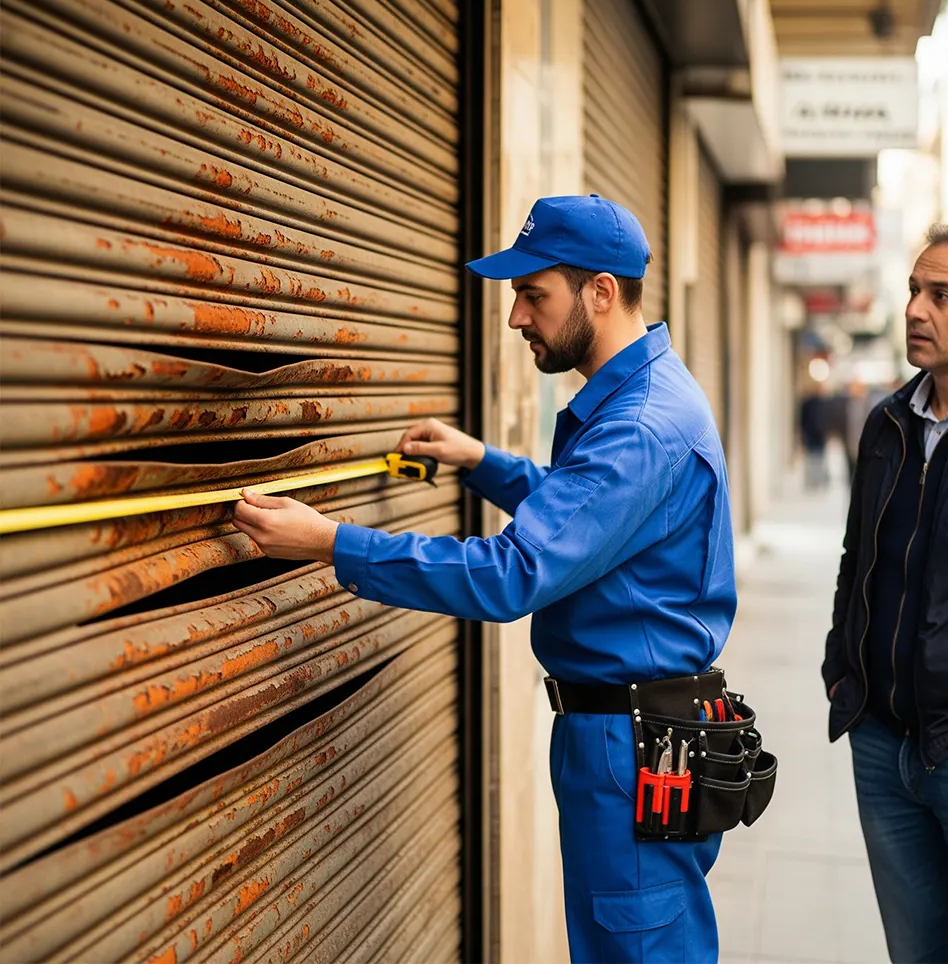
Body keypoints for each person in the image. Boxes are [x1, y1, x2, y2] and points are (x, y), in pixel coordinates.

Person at [233, 195, 738, 962]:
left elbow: (518, 571)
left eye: (533, 295)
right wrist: (483, 463)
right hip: (636, 729)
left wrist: (329, 541)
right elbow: (593, 523)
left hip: (630, 742)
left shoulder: (638, 424)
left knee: (637, 948)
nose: (515, 319)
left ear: (600, 292)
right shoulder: (643, 398)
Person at [822, 222, 948, 964]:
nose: (916, 310)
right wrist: (846, 679)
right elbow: (857, 558)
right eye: (913, 292)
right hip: (883, 743)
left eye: (942, 295)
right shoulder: (887, 423)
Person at [799, 384, 830, 488]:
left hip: (821, 435)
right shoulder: (808, 403)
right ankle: (813, 480)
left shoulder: (824, 403)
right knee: (811, 458)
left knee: (820, 458)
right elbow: (802, 419)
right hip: (810, 434)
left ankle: (818, 480)